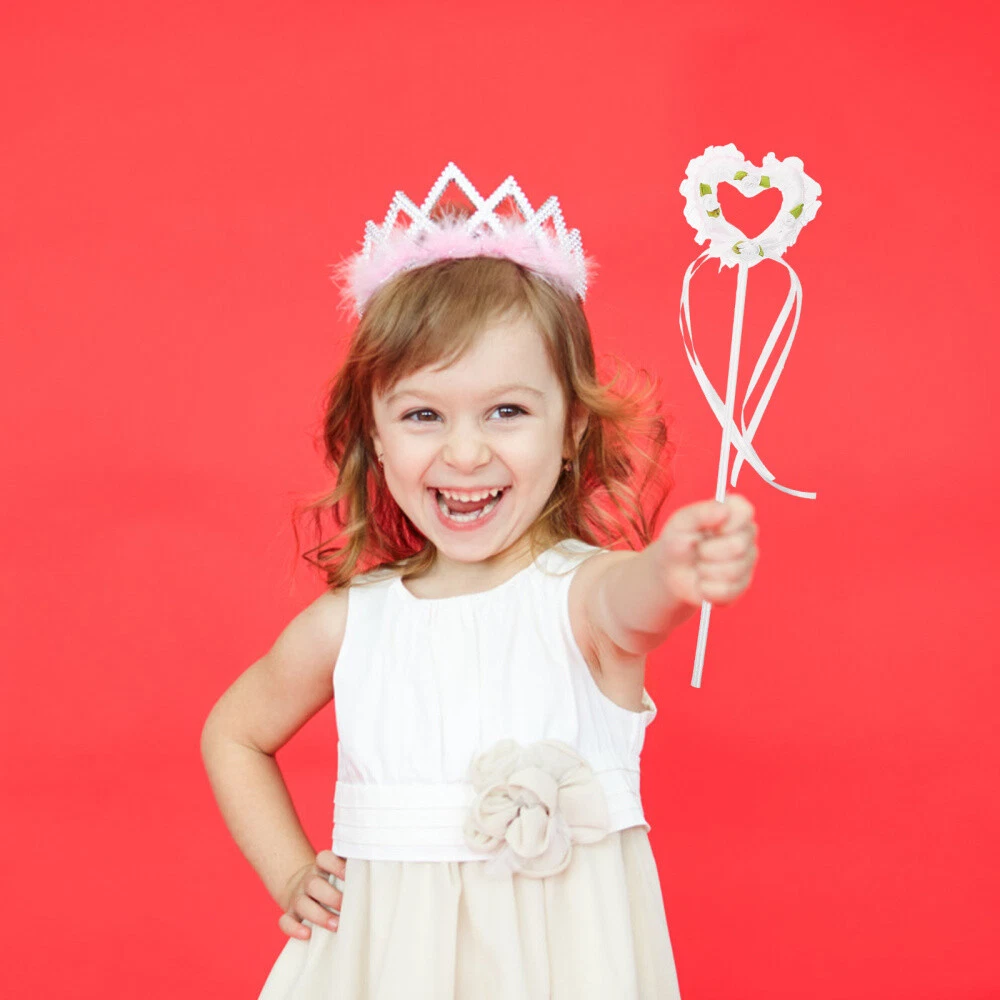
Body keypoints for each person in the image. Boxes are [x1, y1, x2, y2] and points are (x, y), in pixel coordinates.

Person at [200, 163, 759, 999]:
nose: (465, 453)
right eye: (424, 414)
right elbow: (234, 733)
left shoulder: (580, 598)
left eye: (507, 411)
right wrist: (290, 873)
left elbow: (632, 605)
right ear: (376, 437)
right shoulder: (354, 623)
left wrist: (672, 572)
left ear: (571, 429)